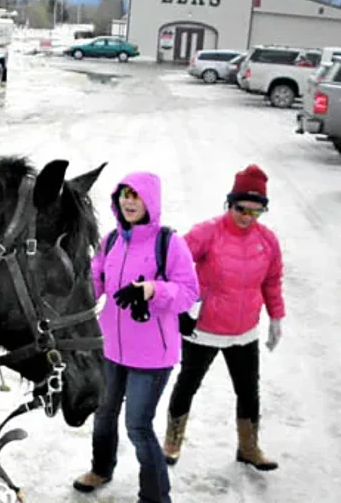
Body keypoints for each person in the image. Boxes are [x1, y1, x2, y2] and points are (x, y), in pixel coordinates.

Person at [74, 172, 200, 503]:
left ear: (150, 200)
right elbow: (94, 279)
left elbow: (189, 292)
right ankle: (101, 468)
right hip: (111, 347)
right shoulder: (112, 240)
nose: (129, 201)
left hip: (152, 354)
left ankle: (156, 496)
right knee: (104, 414)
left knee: (138, 426)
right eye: (124, 194)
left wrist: (152, 289)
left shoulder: (168, 242)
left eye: (136, 195)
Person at [162, 165, 283, 472]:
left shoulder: (267, 241)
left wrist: (276, 317)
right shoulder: (207, 232)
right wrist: (180, 306)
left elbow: (272, 280)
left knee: (248, 390)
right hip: (204, 328)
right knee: (188, 383)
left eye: (256, 212)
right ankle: (173, 441)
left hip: (244, 332)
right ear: (229, 204)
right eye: (241, 208)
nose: (247, 217)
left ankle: (249, 447)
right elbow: (174, 263)